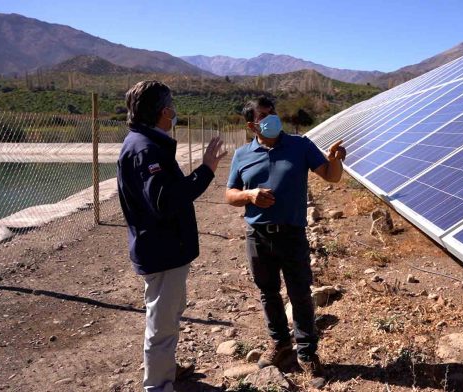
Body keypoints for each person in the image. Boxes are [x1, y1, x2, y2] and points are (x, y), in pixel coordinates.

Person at [225, 96, 346, 384]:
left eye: (273, 113)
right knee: (268, 293)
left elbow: (331, 176)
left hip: (292, 234)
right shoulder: (242, 155)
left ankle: (307, 353)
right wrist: (249, 196)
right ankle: (280, 344)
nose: (271, 119)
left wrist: (336, 161)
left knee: (300, 293)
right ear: (252, 125)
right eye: (264, 115)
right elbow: (230, 194)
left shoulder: (300, 145)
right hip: (258, 235)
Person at [117, 80, 225, 392]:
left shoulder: (142, 143)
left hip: (164, 248)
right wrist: (206, 169)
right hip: (162, 250)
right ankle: (158, 386)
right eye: (172, 108)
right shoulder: (147, 149)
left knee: (170, 311)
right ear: (165, 112)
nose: (175, 114)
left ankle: (166, 370)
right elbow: (166, 201)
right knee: (162, 325)